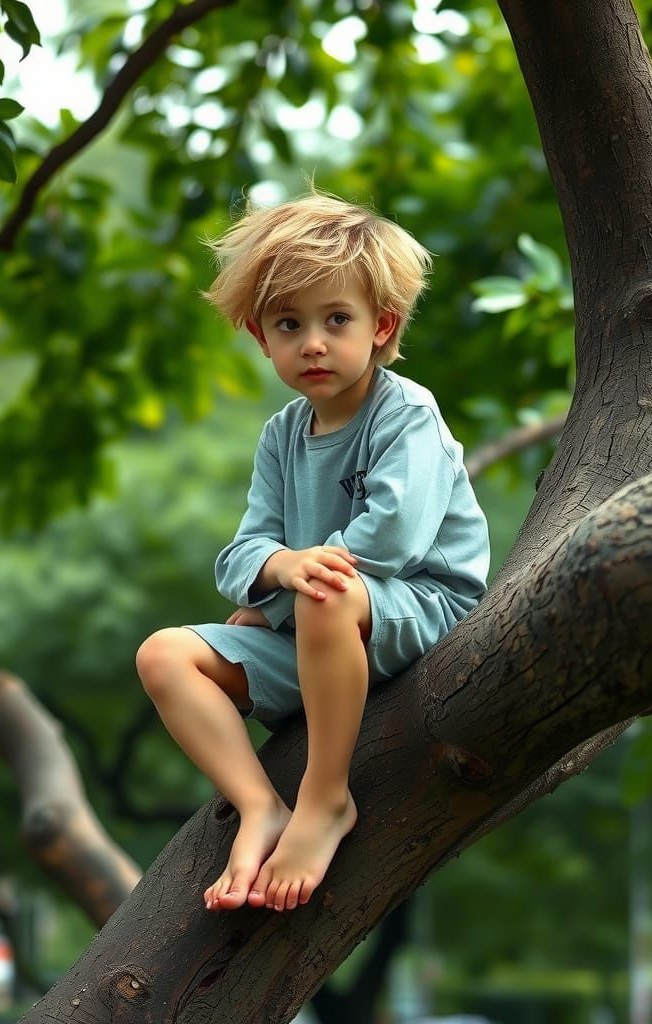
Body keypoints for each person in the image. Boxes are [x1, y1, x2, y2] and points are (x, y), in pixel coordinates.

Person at [135, 190, 490, 914]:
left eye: (337, 320)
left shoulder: (406, 413)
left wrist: (290, 583)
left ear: (381, 325)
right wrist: (276, 571)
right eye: (289, 325)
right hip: (322, 619)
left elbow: (391, 541)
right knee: (164, 655)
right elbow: (241, 553)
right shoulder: (282, 435)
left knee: (323, 591)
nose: (314, 343)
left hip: (418, 606)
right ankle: (259, 804)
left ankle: (324, 798)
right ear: (262, 340)